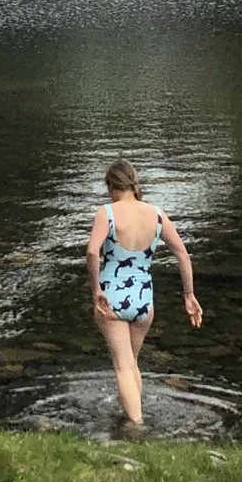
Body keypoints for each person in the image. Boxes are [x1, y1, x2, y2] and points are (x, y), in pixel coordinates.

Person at [85, 159, 202, 434]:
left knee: (123, 368)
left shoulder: (107, 213)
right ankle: (135, 413)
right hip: (144, 303)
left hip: (111, 300)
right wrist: (189, 295)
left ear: (111, 186)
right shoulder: (157, 214)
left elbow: (92, 252)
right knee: (132, 364)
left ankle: (136, 427)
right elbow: (182, 254)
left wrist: (96, 290)